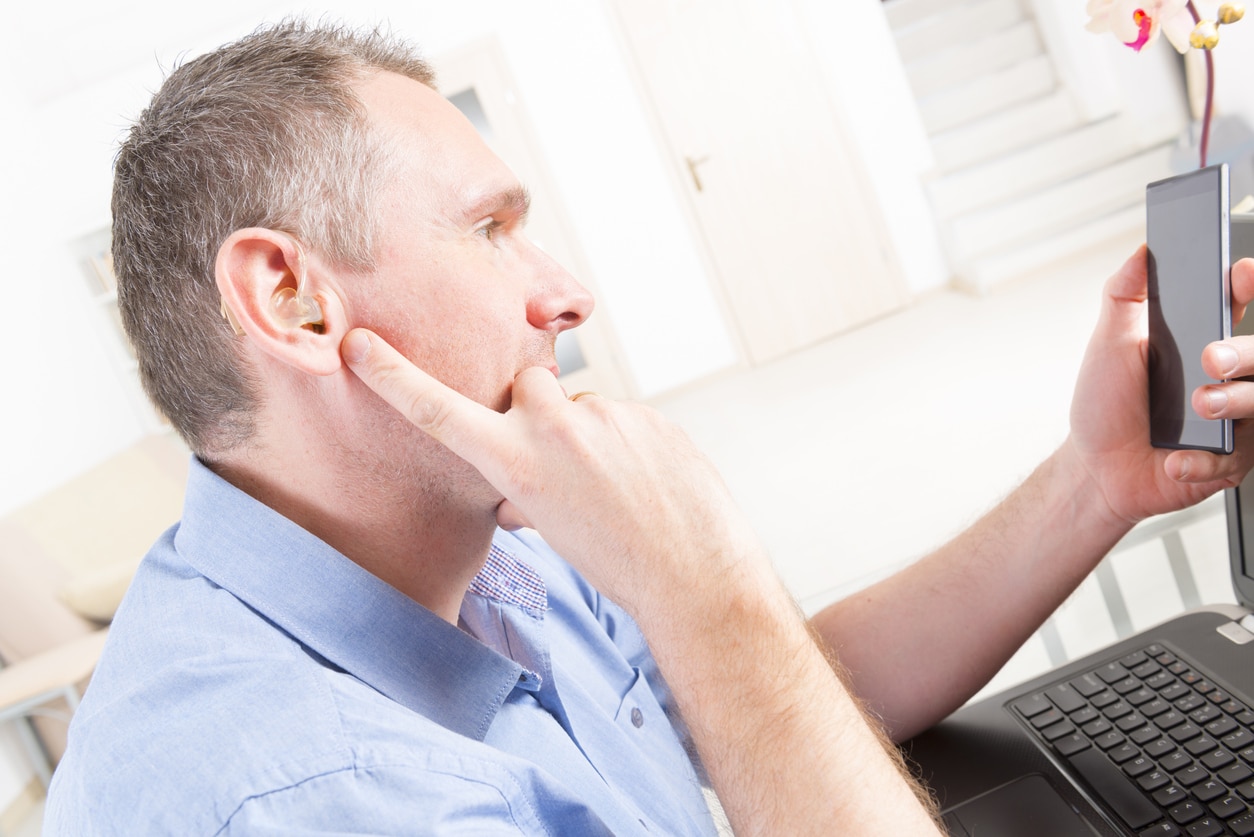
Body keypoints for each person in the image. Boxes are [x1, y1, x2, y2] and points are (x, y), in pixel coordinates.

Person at [43, 19, 1254, 836]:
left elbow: (732, 713)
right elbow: (738, 677)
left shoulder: (468, 539)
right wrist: (705, 588)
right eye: (490, 229)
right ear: (295, 301)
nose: (564, 290)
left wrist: (1096, 484)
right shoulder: (311, 796)